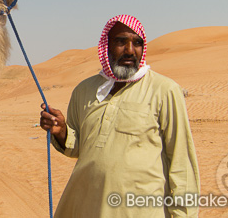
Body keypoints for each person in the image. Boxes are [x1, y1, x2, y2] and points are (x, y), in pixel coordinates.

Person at [40, 14, 199, 217]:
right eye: (121, 42)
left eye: (137, 43)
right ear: (106, 45)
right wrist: (61, 131)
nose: (130, 50)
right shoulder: (84, 90)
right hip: (87, 206)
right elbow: (79, 148)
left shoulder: (165, 90)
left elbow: (181, 160)